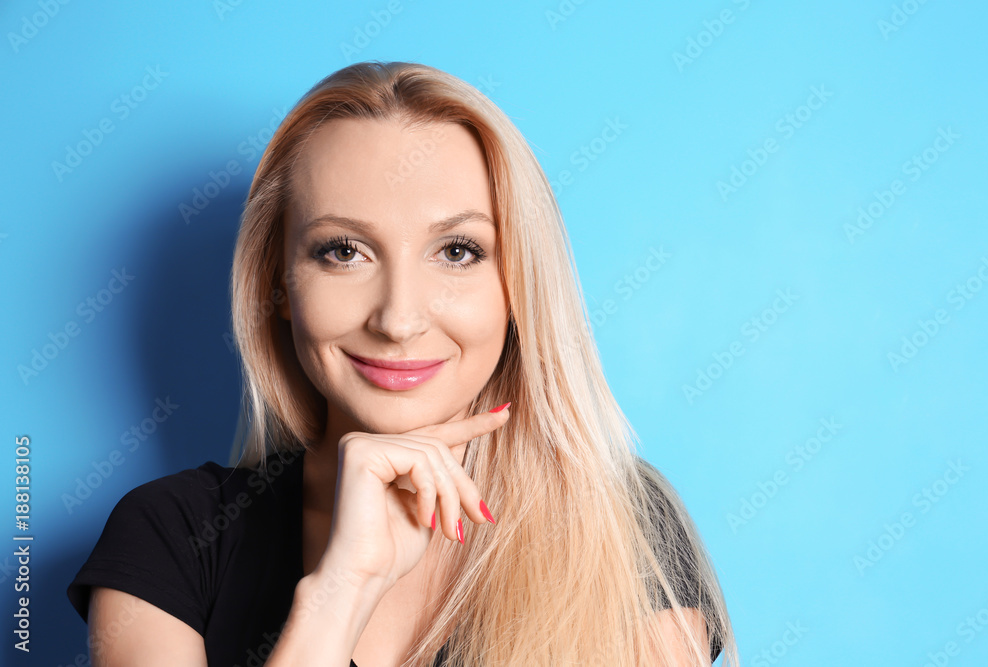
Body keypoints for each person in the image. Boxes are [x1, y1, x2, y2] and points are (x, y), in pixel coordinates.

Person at [67, 61, 738, 666]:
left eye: (457, 252)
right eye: (343, 251)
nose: (397, 319)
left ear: (519, 287)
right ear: (278, 285)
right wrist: (342, 591)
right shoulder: (170, 536)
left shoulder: (622, 526)